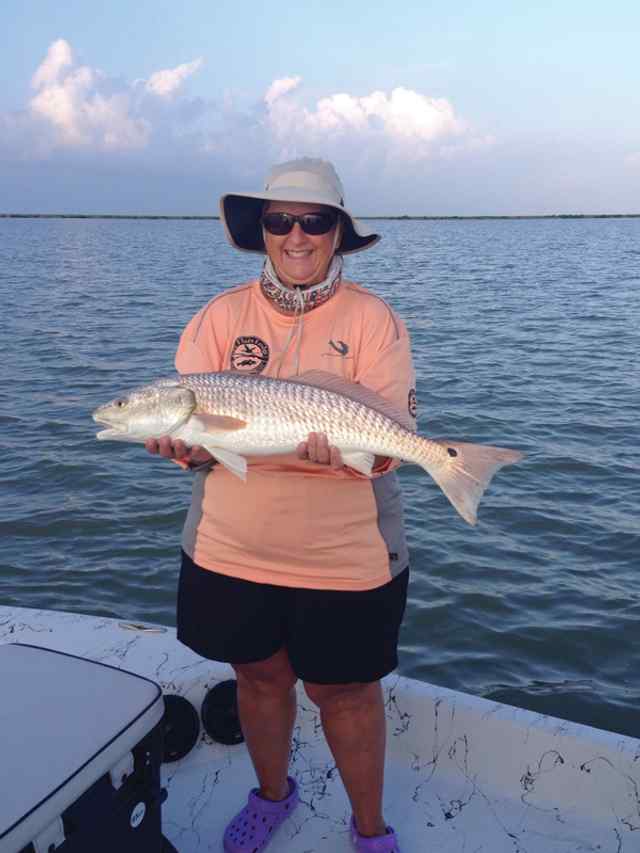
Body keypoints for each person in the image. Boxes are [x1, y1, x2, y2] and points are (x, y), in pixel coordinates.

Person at [146, 158, 416, 853]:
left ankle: (369, 829)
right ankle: (273, 795)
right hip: (230, 549)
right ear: (261, 229)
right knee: (259, 679)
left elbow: (389, 447)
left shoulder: (375, 322)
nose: (296, 235)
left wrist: (363, 451)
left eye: (315, 221)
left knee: (346, 693)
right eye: (279, 220)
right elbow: (202, 442)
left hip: (345, 557)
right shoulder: (217, 316)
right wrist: (187, 449)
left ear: (338, 232)